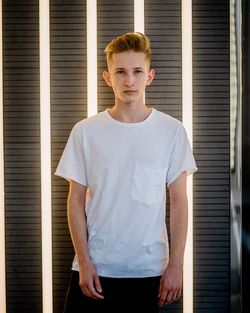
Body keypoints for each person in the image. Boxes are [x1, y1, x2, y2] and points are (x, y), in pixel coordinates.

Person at [55, 32, 197, 313]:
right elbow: (75, 201)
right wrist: (84, 262)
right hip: (94, 270)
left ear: (150, 76)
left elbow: (179, 201)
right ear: (107, 77)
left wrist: (176, 266)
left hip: (148, 270)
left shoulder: (172, 131)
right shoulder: (85, 131)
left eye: (137, 72)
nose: (129, 81)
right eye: (120, 72)